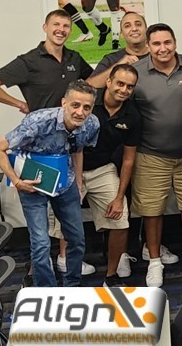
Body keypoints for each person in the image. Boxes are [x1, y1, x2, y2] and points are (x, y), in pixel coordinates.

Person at [0, 80, 100, 287]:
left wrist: (78, 183)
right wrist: (16, 181)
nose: (80, 112)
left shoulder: (92, 124)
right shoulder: (38, 121)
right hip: (32, 184)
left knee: (76, 239)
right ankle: (46, 290)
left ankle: (72, 286)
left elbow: (78, 150)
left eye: (87, 107)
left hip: (65, 182)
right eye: (75, 105)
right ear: (64, 103)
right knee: (40, 243)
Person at [51, 66, 140, 287]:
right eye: (120, 83)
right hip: (70, 165)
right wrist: (75, 180)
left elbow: (129, 159)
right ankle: (66, 264)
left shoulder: (133, 115)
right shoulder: (87, 102)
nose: (124, 89)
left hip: (103, 168)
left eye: (129, 86)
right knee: (66, 218)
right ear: (108, 82)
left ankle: (111, 275)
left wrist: (120, 197)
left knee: (121, 219)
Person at [132, 23, 182, 288]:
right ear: (148, 46)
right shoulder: (137, 72)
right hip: (151, 154)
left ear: (174, 43)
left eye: (167, 43)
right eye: (156, 44)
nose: (162, 48)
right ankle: (154, 262)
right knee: (152, 211)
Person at [0, 9, 92, 113]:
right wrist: (20, 105)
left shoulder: (75, 58)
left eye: (66, 26)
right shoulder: (28, 61)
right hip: (41, 127)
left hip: (72, 125)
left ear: (70, 31)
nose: (61, 29)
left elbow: (93, 82)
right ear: (45, 28)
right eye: (56, 24)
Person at [87, 11, 149, 88]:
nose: (134, 29)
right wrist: (117, 67)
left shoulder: (156, 57)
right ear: (121, 34)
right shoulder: (111, 59)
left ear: (146, 30)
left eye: (138, 24)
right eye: (127, 26)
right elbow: (88, 86)